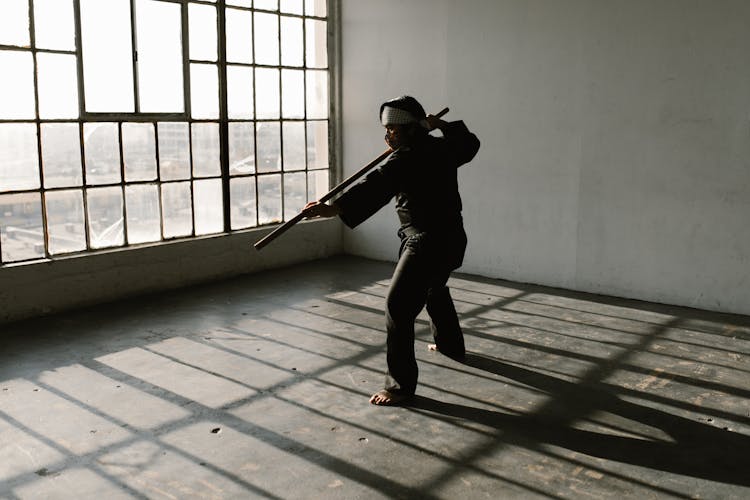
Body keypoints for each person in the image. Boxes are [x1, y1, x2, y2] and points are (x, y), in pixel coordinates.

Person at [302, 96, 480, 405]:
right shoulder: (442, 148)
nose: (388, 137)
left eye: (395, 131)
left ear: (411, 130)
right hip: (452, 239)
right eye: (386, 130)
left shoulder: (407, 158)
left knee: (398, 307)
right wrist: (442, 126)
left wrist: (333, 208)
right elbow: (469, 143)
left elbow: (376, 184)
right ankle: (450, 344)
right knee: (434, 286)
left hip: (425, 242)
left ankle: (399, 387)